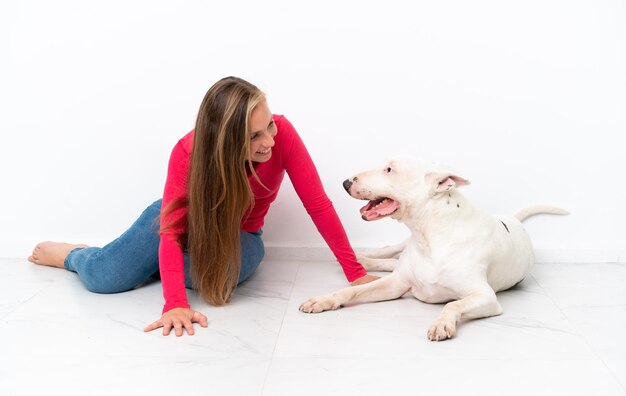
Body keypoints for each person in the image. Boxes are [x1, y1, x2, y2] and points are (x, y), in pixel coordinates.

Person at [28, 76, 379, 337]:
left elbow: (316, 204)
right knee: (106, 279)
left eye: (268, 124)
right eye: (254, 135)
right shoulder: (189, 151)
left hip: (242, 236)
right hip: (180, 226)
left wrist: (355, 272)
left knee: (220, 284)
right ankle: (77, 255)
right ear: (225, 140)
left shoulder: (283, 134)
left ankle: (146, 264)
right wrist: (175, 303)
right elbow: (171, 231)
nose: (269, 140)